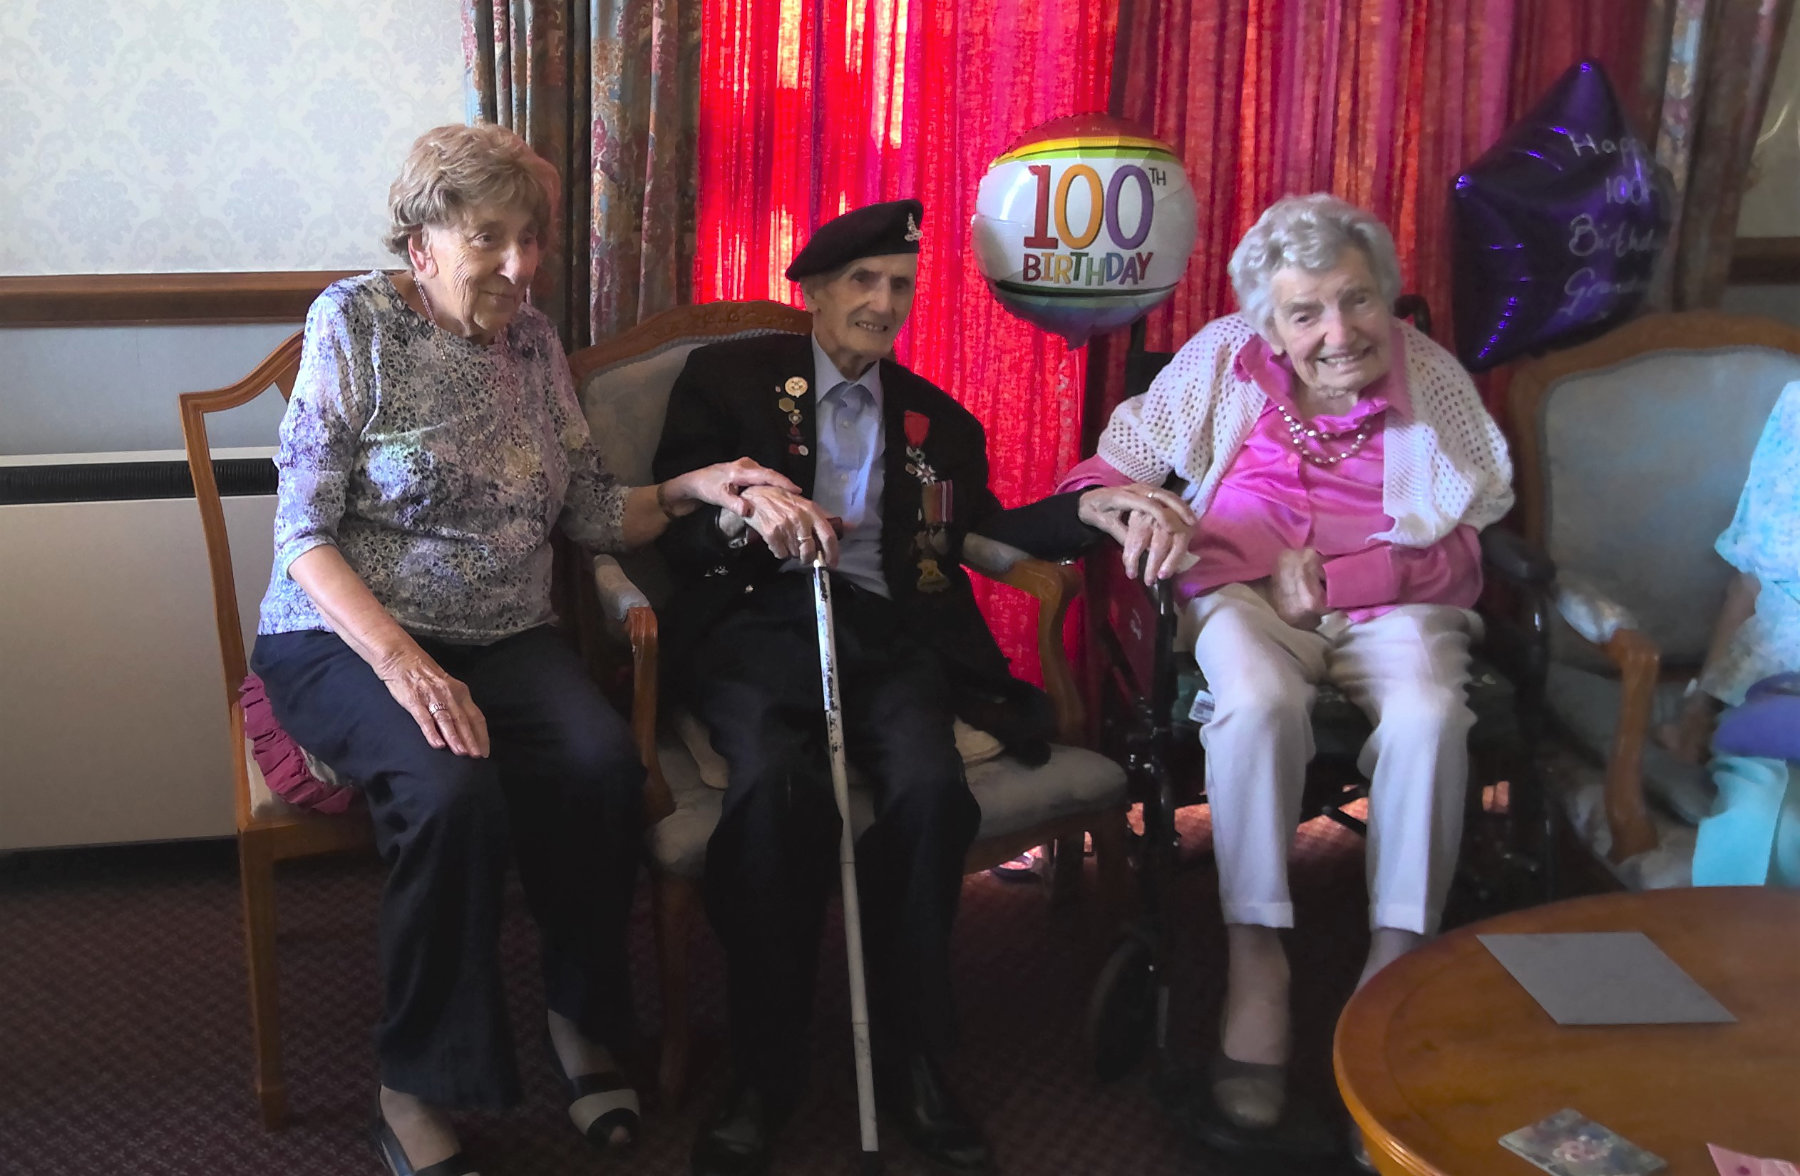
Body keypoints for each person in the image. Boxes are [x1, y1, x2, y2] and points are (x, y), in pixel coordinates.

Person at [250, 122, 794, 1176]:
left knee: (599, 770)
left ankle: (582, 1018)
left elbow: (590, 507)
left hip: (504, 630)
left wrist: (695, 485)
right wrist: (406, 664)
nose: (517, 264)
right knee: (454, 791)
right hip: (345, 636)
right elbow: (303, 538)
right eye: (488, 237)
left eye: (530, 239)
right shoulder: (353, 323)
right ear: (420, 246)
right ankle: (413, 1082)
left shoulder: (535, 341)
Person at [652, 199, 1191, 1176]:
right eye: (862, 281)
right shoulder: (725, 380)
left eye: (899, 286)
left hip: (891, 633)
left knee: (930, 789)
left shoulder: (936, 422)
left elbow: (980, 533)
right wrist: (744, 514)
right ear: (814, 290)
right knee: (776, 787)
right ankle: (763, 1067)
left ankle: (910, 1053)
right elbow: (674, 531)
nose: (882, 302)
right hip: (757, 624)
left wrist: (1090, 509)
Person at [1058, 193, 1514, 1136]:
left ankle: (1395, 964)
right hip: (1240, 599)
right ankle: (1256, 957)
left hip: (1396, 605)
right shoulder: (1221, 363)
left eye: (1356, 302)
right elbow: (1112, 466)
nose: (1338, 333)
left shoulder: (1431, 381)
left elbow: (1468, 551)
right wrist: (1116, 506)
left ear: (1385, 296)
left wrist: (1343, 582)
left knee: (1432, 716)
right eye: (1306, 312)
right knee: (1257, 704)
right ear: (1270, 320)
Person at [1659, 380, 1800, 886]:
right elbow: (1747, 580)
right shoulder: (1796, 409)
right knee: (1770, 821)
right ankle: (1732, 962)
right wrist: (1700, 705)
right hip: (1774, 695)